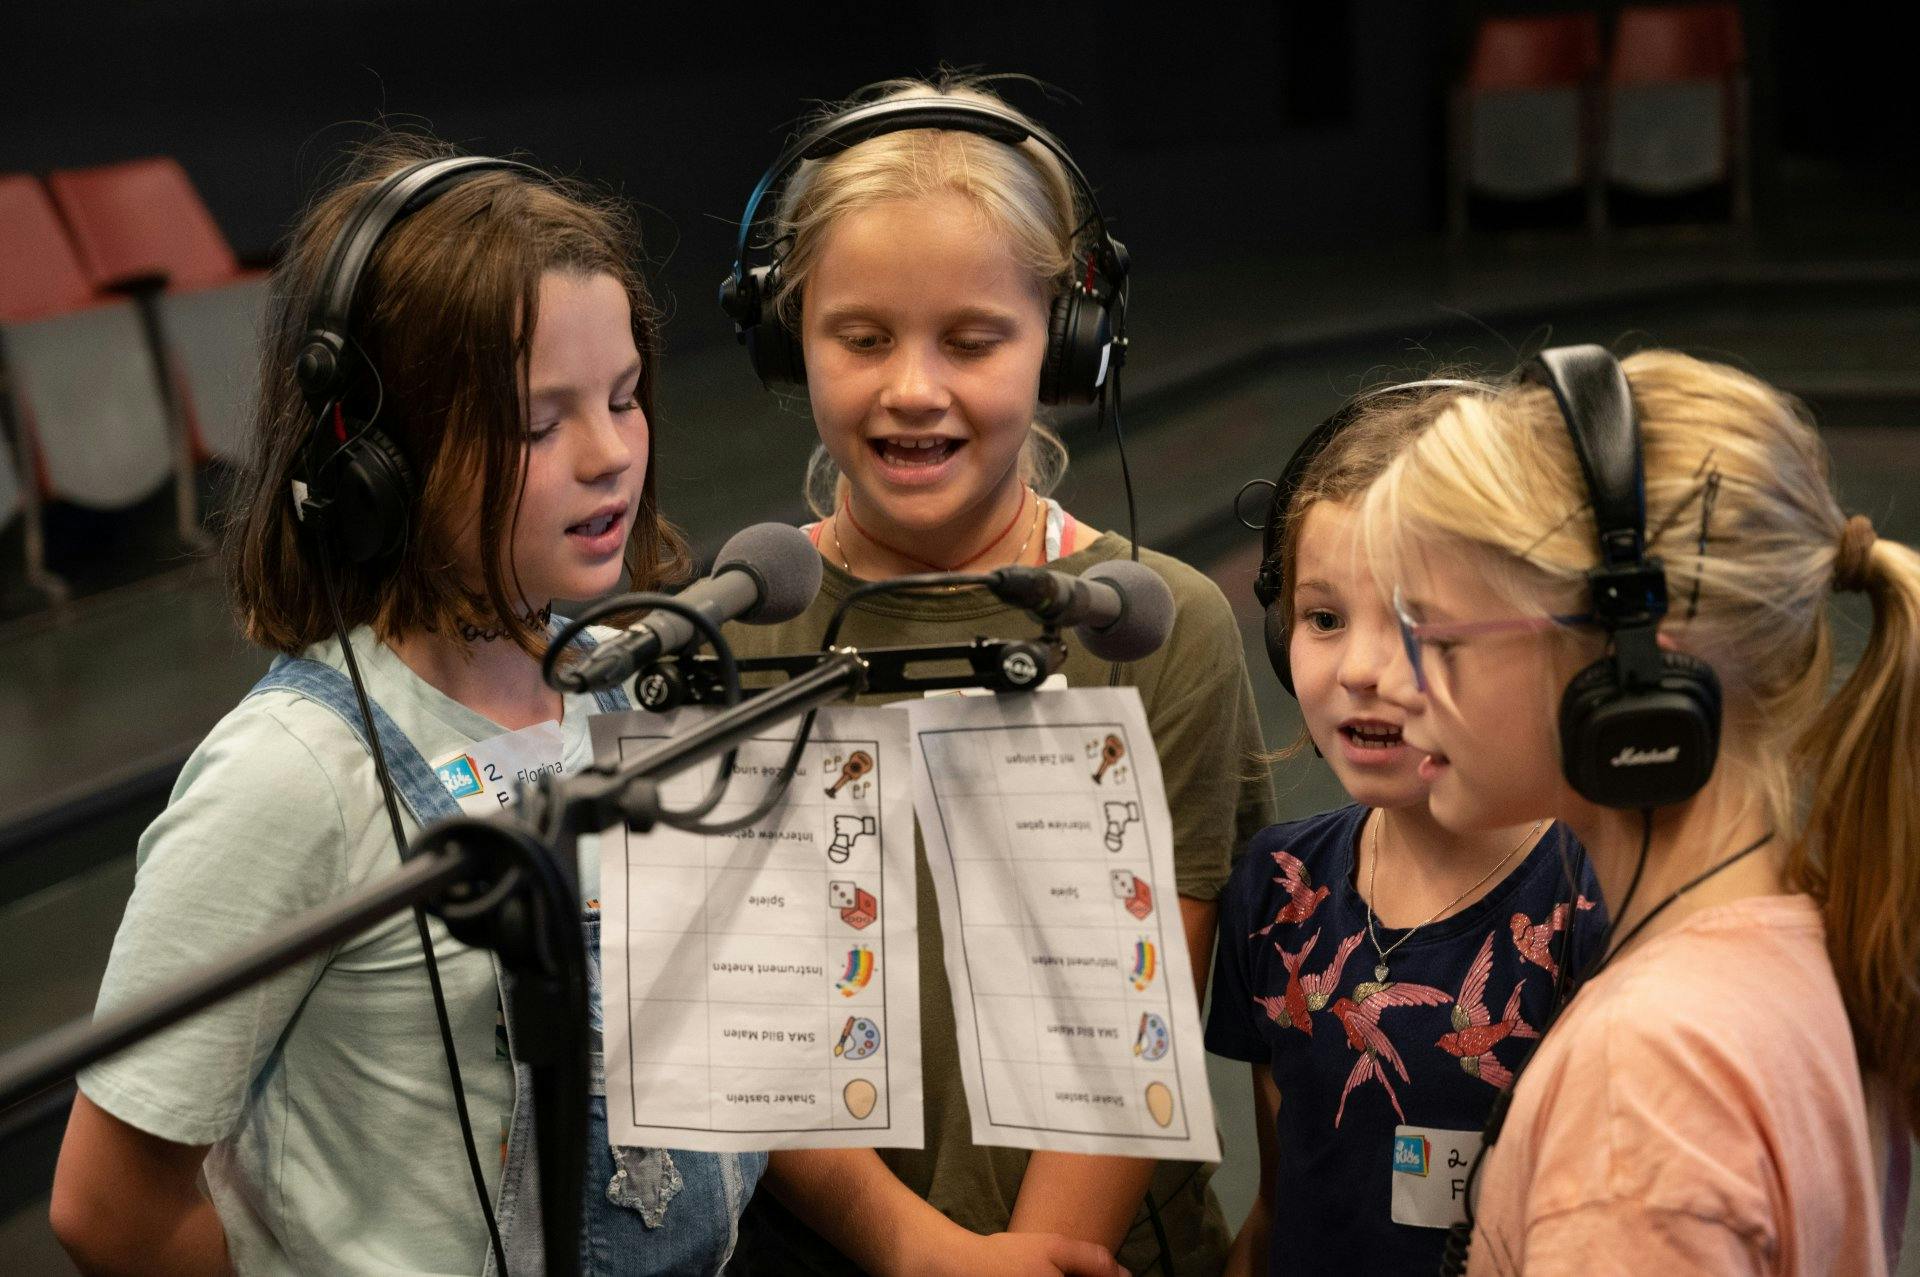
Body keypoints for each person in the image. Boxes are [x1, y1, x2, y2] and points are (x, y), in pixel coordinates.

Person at [49, 137, 764, 1275]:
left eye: (625, 398)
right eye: (539, 423)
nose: (610, 455)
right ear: (372, 463)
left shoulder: (634, 673)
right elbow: (107, 1201)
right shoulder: (293, 776)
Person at [719, 77, 1277, 1276]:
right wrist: (915, 1249)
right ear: (786, 332)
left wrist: (1034, 1256)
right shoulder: (733, 632)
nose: (913, 387)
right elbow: (755, 1035)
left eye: (973, 340)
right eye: (861, 336)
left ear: (1071, 345)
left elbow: (1136, 1017)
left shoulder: (1162, 627)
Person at [1359, 347, 1916, 1273]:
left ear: (1629, 675)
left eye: (1440, 639)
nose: (1398, 685)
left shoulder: (1643, 1081)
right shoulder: (1810, 936)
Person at [1204, 382, 1606, 1276]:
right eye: (1323, 618)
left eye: (1418, 622)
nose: (1360, 669)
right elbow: (1277, 1207)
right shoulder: (1279, 887)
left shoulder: (1592, 898)